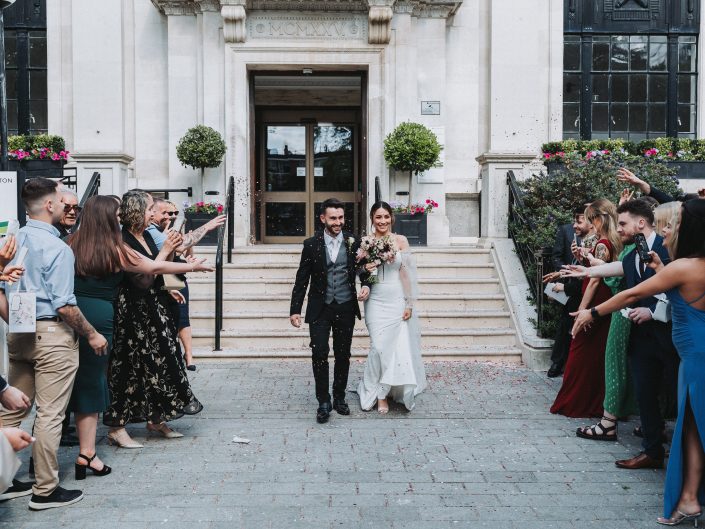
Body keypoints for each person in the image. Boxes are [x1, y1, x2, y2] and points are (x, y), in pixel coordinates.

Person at [571, 199, 705, 526]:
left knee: (697, 427)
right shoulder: (681, 266)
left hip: (696, 359)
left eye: (675, 224)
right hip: (694, 356)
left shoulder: (684, 266)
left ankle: (689, 498)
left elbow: (632, 295)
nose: (668, 230)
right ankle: (688, 499)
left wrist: (593, 311)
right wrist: (659, 269)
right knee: (691, 429)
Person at [65, 196, 212, 478]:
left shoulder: (74, 242)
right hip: (106, 315)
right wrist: (191, 266)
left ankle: (87, 451)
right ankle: (104, 437)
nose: (120, 216)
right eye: (117, 212)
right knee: (109, 374)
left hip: (81, 314)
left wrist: (169, 284)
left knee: (94, 377)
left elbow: (152, 272)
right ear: (106, 217)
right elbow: (152, 269)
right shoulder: (115, 246)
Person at [0, 177, 108, 510]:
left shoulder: (11, 240)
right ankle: (45, 490)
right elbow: (64, 304)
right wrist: (92, 333)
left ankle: (3, 479)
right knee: (49, 415)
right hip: (52, 335)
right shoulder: (58, 248)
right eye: (63, 202)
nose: (67, 207)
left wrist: (17, 325)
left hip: (19, 333)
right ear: (50, 205)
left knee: (10, 409)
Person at [564, 198, 678, 469]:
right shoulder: (635, 249)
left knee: (675, 391)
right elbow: (623, 269)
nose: (620, 229)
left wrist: (653, 312)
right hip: (642, 337)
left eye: (623, 223)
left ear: (641, 223)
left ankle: (682, 451)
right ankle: (651, 451)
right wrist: (588, 271)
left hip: (668, 334)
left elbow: (675, 288)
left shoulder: (666, 247)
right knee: (644, 391)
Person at [103, 190, 204, 447]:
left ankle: (156, 418)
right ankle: (117, 426)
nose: (153, 213)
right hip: (132, 312)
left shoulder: (148, 234)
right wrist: (168, 251)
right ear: (137, 211)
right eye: (149, 208)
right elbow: (145, 275)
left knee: (162, 363)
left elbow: (161, 270)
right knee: (128, 369)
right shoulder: (121, 239)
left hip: (155, 305)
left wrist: (170, 288)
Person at [290, 198, 371, 424]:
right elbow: (301, 279)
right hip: (320, 308)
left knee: (343, 354)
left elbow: (365, 270)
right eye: (333, 218)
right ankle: (323, 401)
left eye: (341, 218)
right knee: (319, 354)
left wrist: (366, 284)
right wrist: (295, 309)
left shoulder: (354, 242)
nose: (338, 222)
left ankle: (339, 397)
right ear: (323, 218)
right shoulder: (310, 244)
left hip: (345, 306)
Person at [550, 199, 621, 418]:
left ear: (599, 219)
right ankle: (594, 403)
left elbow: (595, 280)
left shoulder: (602, 244)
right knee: (593, 355)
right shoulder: (608, 241)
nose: (590, 224)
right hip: (600, 301)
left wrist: (582, 309)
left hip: (595, 301)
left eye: (591, 219)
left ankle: (579, 403)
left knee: (582, 354)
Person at [356, 202, 427, 413]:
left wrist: (409, 302)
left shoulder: (401, 241)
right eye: (378, 217)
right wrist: (365, 271)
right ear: (372, 219)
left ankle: (383, 393)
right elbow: (360, 271)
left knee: (395, 347)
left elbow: (405, 273)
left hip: (396, 297)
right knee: (378, 347)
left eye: (386, 216)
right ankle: (375, 389)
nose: (382, 221)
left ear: (392, 218)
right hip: (376, 300)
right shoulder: (365, 242)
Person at [146, 198, 225, 370]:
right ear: (152, 214)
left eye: (173, 213)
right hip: (163, 281)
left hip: (172, 280)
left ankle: (184, 356)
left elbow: (178, 250)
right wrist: (207, 226)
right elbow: (180, 246)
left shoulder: (161, 230)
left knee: (180, 317)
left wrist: (184, 261)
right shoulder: (152, 231)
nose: (170, 216)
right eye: (165, 213)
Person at [544, 207, 592, 377]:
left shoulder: (597, 242)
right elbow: (556, 256)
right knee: (565, 323)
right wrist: (563, 273)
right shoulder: (565, 231)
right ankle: (558, 362)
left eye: (579, 221)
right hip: (569, 283)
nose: (574, 225)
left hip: (583, 287)